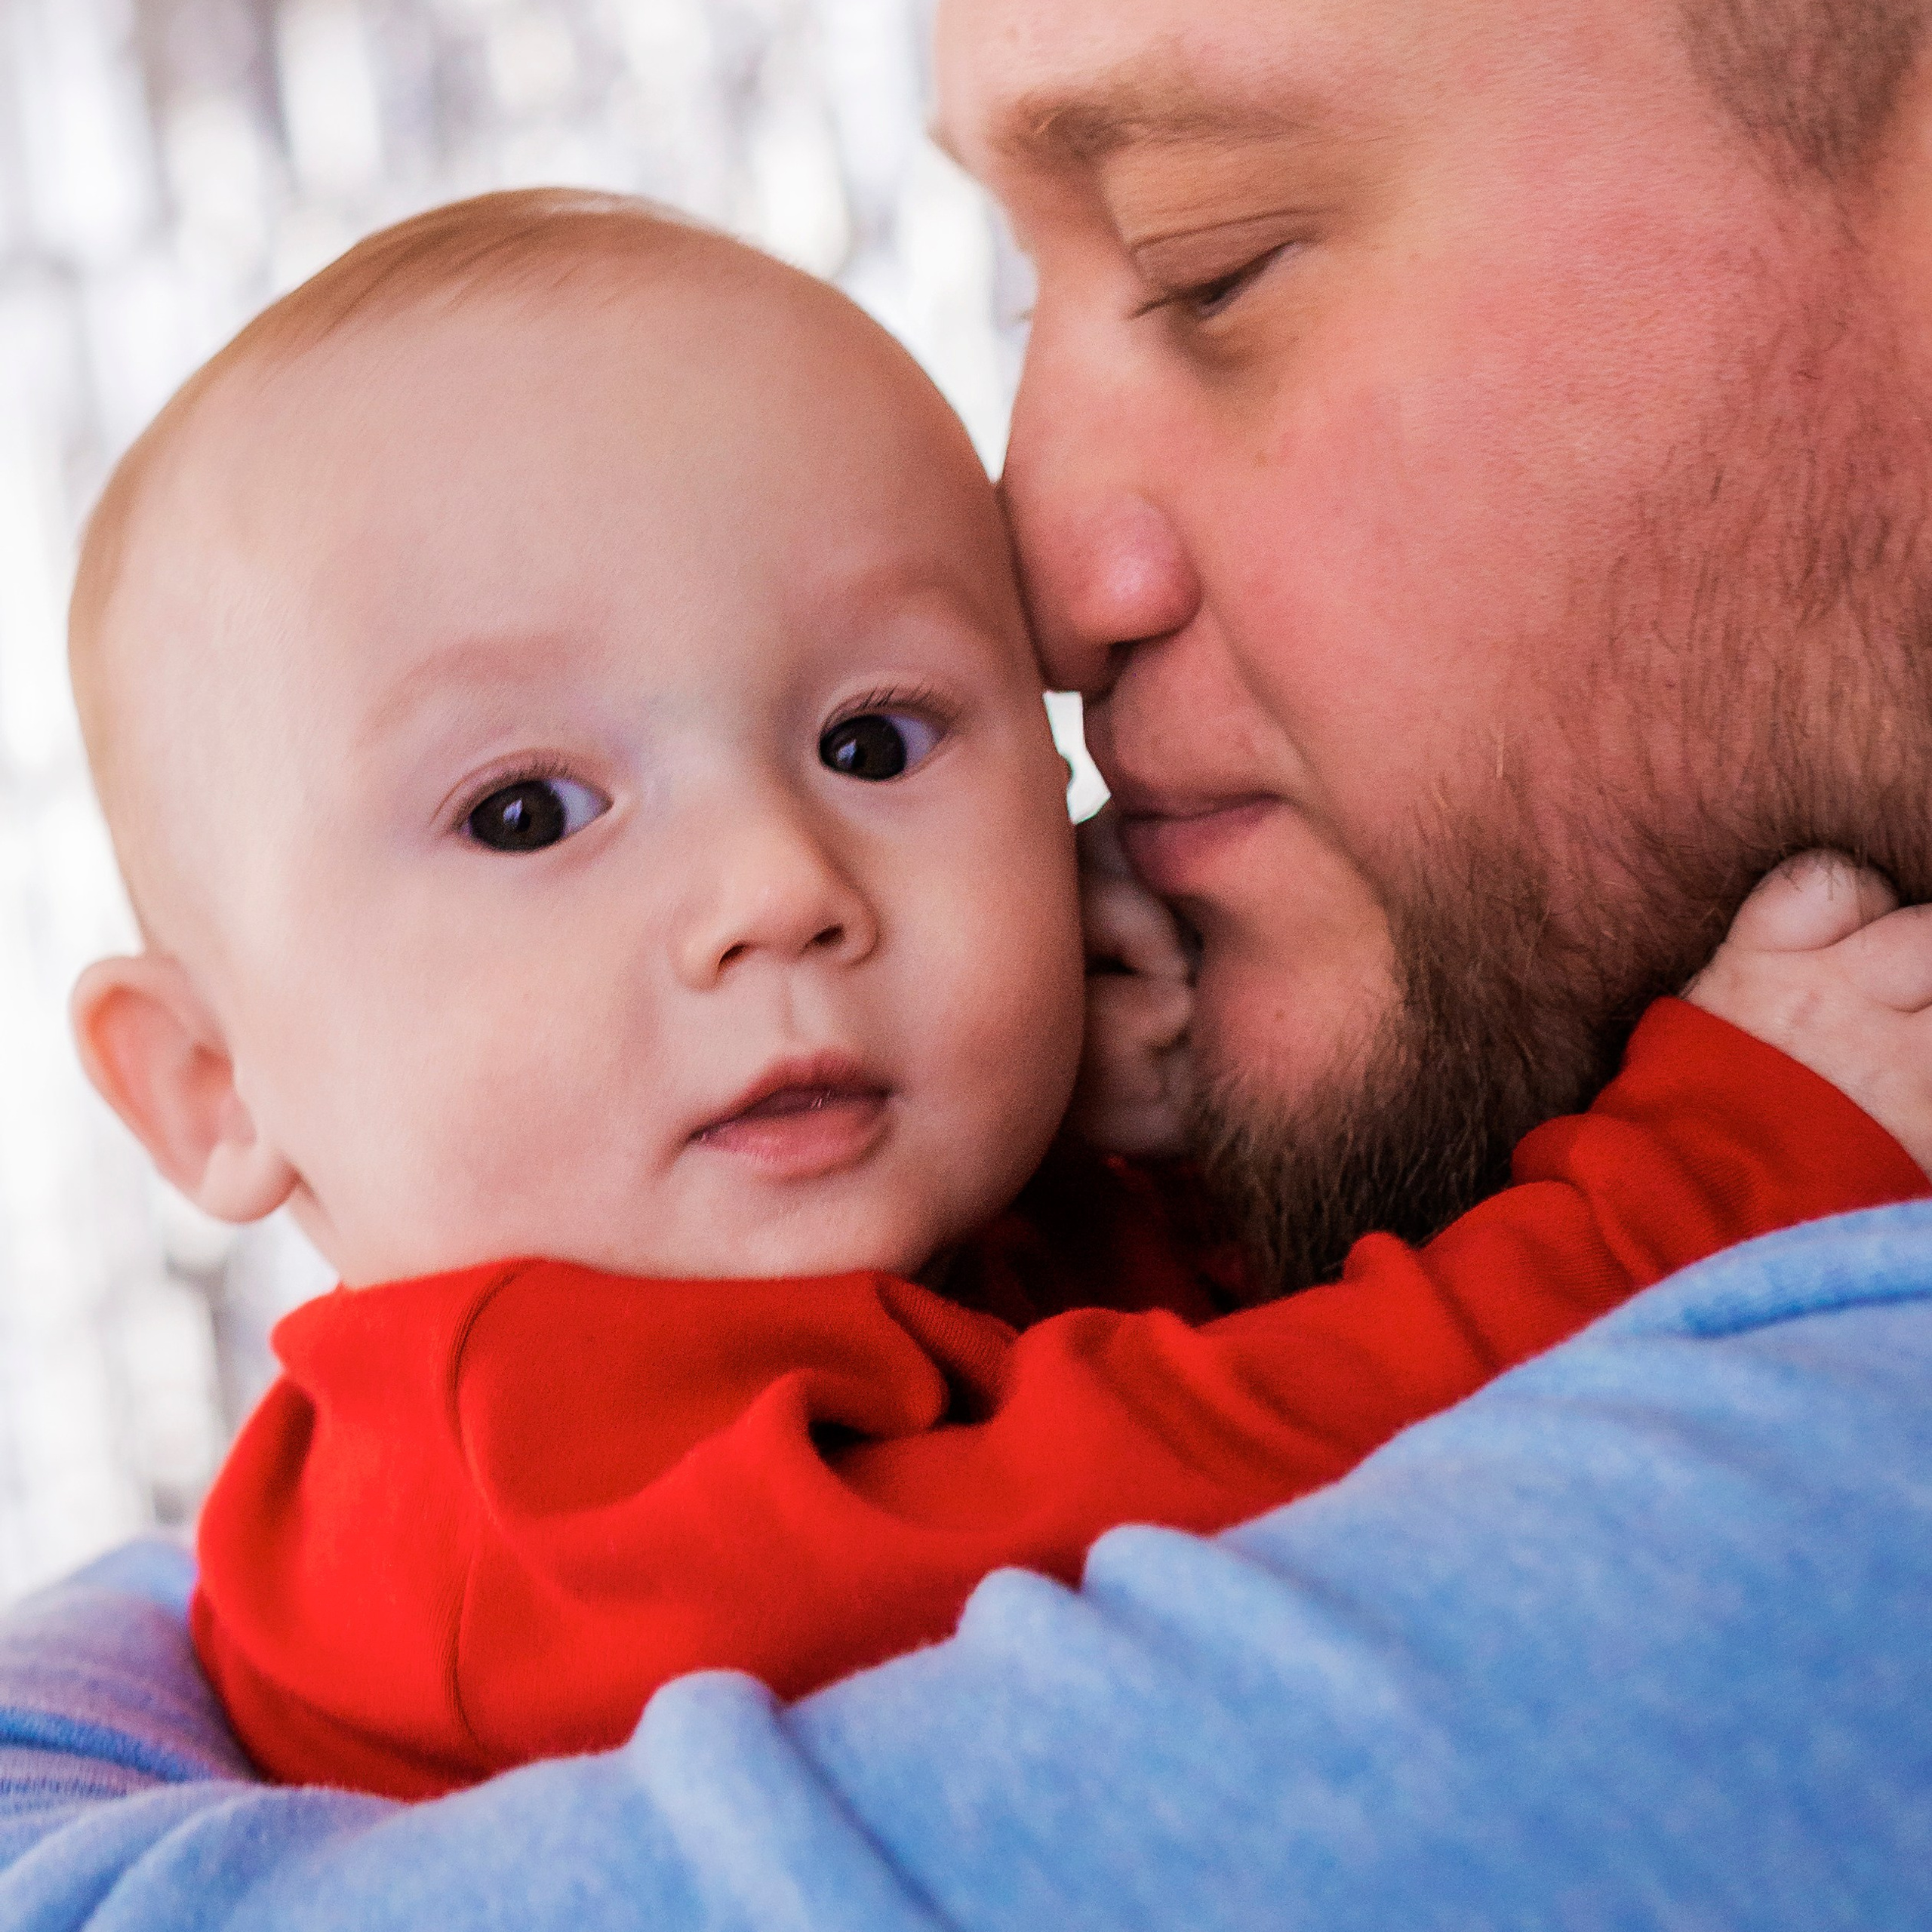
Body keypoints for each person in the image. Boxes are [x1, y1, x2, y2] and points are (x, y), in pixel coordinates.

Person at [3, 0, 1930, 1923]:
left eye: (872, 742)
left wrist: (1126, 1150)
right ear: (207, 1085)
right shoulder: (502, 1463)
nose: (777, 884)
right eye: (524, 813)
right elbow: (1170, 1495)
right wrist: (1701, 1175)